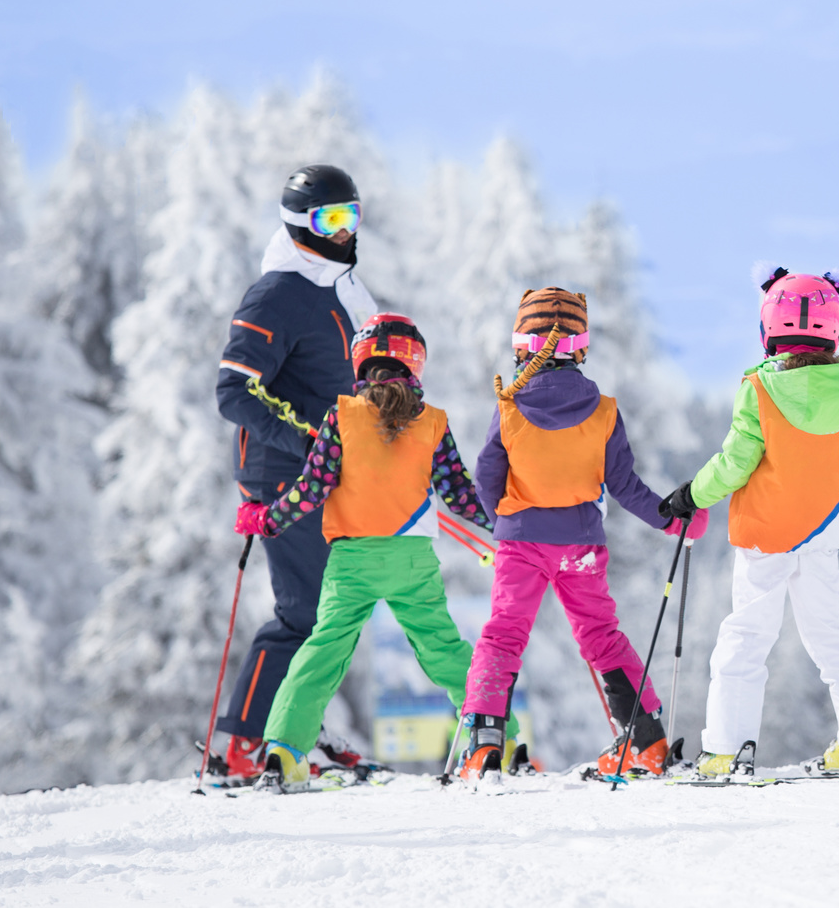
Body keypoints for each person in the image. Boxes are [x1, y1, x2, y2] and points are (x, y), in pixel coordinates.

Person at [234, 313, 515, 790]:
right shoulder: (432, 422)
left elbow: (311, 488)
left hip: (352, 562)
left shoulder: (340, 417)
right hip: (412, 561)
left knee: (322, 653)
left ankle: (283, 751)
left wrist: (266, 519)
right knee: (444, 650)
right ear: (416, 363)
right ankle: (496, 742)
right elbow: (460, 493)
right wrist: (509, 524)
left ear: (361, 361)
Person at [459, 288, 705, 782]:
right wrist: (673, 519)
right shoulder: (604, 410)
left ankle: (484, 745)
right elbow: (626, 487)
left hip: (521, 542)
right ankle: (646, 741)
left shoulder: (509, 408)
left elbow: (487, 478)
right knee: (601, 636)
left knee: (504, 636)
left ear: (523, 345)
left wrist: (503, 525)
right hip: (580, 547)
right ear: (582, 346)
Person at [661, 267, 839, 777]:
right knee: (833, 635)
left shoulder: (760, 390)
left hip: (766, 537)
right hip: (825, 535)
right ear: (833, 329)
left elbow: (735, 462)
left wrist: (691, 495)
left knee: (745, 638)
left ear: (769, 328)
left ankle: (726, 750)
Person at [211, 165, 377, 781]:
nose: (342, 232)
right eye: (328, 220)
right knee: (303, 614)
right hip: (286, 473)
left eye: (350, 217)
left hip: (329, 472)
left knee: (332, 612)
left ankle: (299, 729)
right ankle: (249, 744)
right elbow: (234, 390)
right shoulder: (280, 292)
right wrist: (307, 441)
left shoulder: (339, 290)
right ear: (298, 225)